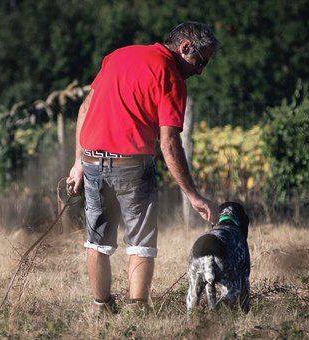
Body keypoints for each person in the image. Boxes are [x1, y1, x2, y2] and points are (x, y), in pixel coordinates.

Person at [66, 21, 220, 313]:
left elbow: (85, 107)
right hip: (132, 166)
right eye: (201, 62)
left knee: (96, 241)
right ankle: (136, 310)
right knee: (140, 242)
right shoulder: (171, 76)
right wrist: (193, 195)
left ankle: (101, 307)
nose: (200, 71)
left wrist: (78, 163)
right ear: (185, 47)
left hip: (93, 161)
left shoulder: (118, 56)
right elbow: (170, 143)